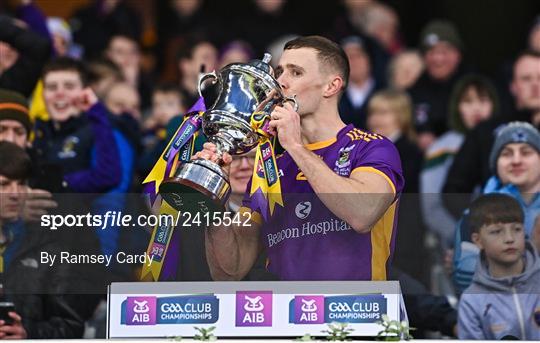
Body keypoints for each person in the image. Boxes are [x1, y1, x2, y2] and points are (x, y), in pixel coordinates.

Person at [199, 35, 404, 281]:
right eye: (280, 71)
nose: (280, 82)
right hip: (285, 315)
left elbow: (362, 214)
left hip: (355, 313)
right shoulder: (270, 166)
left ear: (331, 86)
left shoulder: (371, 147)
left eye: (296, 73)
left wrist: (295, 146)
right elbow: (229, 272)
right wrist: (213, 200)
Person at [0, 141, 84, 338]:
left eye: (21, 184)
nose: (15, 194)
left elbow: (71, 327)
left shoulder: (48, 249)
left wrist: (28, 332)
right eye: (4, 184)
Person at [443, 51, 540, 216]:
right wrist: (484, 221)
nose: (535, 85)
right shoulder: (486, 132)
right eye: (526, 79)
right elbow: (453, 192)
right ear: (513, 86)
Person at [421, 75, 499, 248]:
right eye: (468, 101)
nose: (476, 108)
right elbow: (432, 207)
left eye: (483, 100)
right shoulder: (441, 148)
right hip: (455, 247)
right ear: (457, 107)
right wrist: (464, 239)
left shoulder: (504, 144)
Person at [457, 194, 540, 340]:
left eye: (517, 229)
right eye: (496, 231)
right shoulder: (471, 300)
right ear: (478, 240)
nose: (509, 238)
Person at [408, 20, 466, 150]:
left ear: (458, 54)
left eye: (445, 51)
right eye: (431, 52)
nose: (438, 59)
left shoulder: (471, 87)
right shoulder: (414, 91)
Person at [338, 35, 380, 130]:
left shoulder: (385, 90)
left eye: (358, 55)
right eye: (348, 57)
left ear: (369, 59)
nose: (354, 61)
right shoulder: (334, 94)